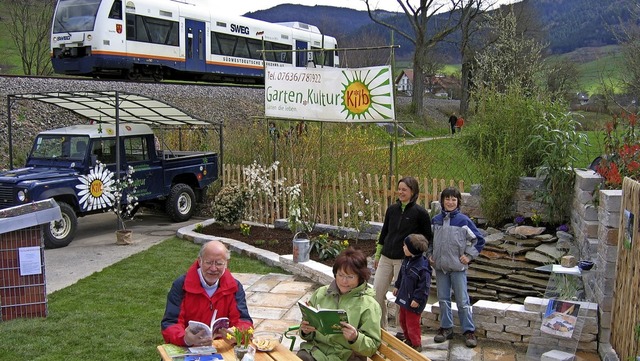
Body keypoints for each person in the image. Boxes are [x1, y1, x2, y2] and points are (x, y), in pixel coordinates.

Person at [161, 240, 253, 346]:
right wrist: (185, 339)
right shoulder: (181, 285)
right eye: (208, 262)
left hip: (220, 347)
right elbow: (170, 323)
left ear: (226, 264)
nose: (213, 268)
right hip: (189, 347)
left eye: (219, 263)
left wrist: (237, 334)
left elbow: (244, 321)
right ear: (200, 261)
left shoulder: (234, 286)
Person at [297, 247, 382, 361]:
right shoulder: (321, 293)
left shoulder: (369, 305)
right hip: (315, 351)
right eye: (340, 275)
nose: (344, 281)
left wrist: (355, 338)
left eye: (350, 277)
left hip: (346, 357)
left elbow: (372, 347)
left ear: (360, 277)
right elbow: (307, 329)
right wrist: (305, 331)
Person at [373, 176, 433, 334]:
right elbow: (384, 232)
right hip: (386, 257)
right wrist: (378, 255)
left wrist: (416, 257)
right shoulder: (392, 209)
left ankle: (402, 331)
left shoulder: (421, 214)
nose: (400, 192)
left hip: (404, 260)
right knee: (377, 293)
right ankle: (381, 329)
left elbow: (427, 238)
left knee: (402, 297)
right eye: (399, 189)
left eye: (404, 190)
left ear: (413, 192)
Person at [428, 187, 485, 348]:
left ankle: (468, 331)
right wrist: (430, 254)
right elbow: (429, 240)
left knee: (462, 300)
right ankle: (446, 328)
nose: (450, 202)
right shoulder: (436, 220)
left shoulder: (463, 221)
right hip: (440, 268)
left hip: (458, 268)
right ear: (442, 201)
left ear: (458, 202)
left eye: (454, 199)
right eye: (447, 199)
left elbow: (479, 240)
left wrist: (469, 256)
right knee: (443, 299)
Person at [392, 234, 431, 352]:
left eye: (405, 246)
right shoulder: (407, 260)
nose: (403, 247)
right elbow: (401, 275)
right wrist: (397, 286)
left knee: (412, 323)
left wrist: (417, 299)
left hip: (414, 301)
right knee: (402, 320)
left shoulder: (422, 267)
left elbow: (424, 287)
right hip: (404, 296)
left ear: (412, 250)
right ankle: (408, 340)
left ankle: (416, 344)